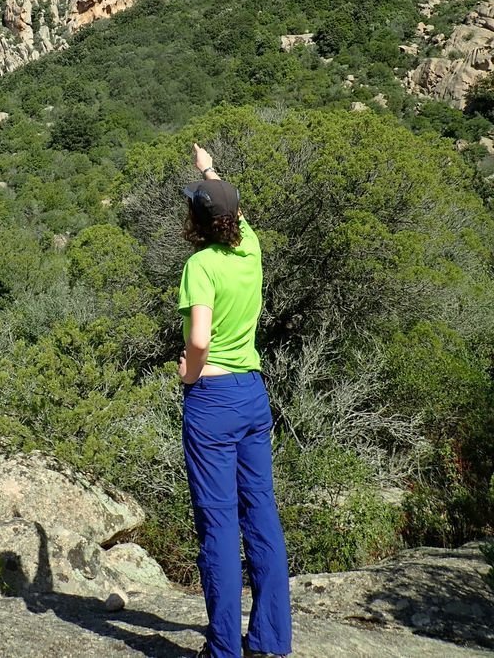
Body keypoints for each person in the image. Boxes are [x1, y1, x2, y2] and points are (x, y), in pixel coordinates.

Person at [178, 143, 291, 658]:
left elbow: (198, 338)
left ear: (198, 222)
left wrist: (189, 372)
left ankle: (225, 648)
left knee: (220, 523)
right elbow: (234, 210)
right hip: (252, 393)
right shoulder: (251, 248)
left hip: (213, 398)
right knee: (261, 514)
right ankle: (269, 641)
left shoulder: (200, 265)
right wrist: (209, 169)